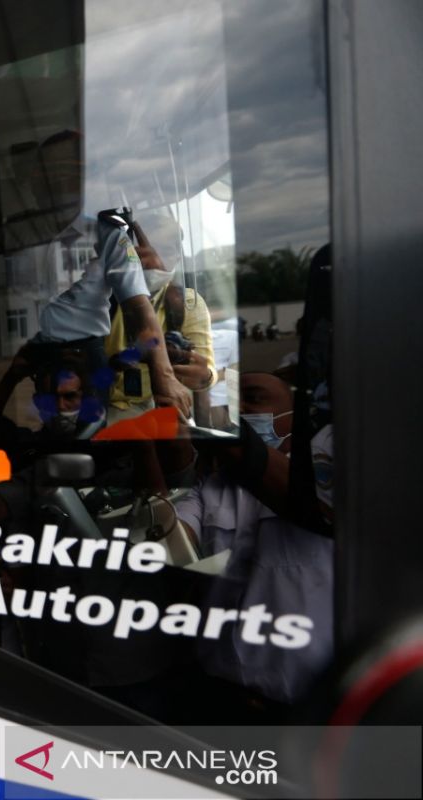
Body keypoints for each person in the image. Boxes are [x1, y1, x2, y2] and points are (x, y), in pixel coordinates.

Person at [175, 372, 333, 709]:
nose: (240, 406)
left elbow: (299, 496)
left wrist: (208, 409)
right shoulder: (211, 487)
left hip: (307, 708)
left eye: (254, 397)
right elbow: (169, 550)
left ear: (295, 416)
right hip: (221, 695)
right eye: (232, 397)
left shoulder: (326, 483)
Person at [21, 132, 192, 420]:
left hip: (88, 355)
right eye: (51, 171)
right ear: (37, 182)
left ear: (86, 180)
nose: (60, 179)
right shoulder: (20, 238)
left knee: (90, 426)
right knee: (48, 426)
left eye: (72, 169)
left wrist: (165, 376)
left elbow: (140, 308)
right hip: (41, 351)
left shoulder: (110, 236)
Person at [104, 215, 215, 423]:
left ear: (177, 256)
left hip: (154, 407)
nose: (154, 260)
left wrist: (203, 376)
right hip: (100, 408)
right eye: (146, 250)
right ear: (127, 253)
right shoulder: (101, 299)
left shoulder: (187, 303)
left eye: (165, 250)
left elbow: (208, 369)